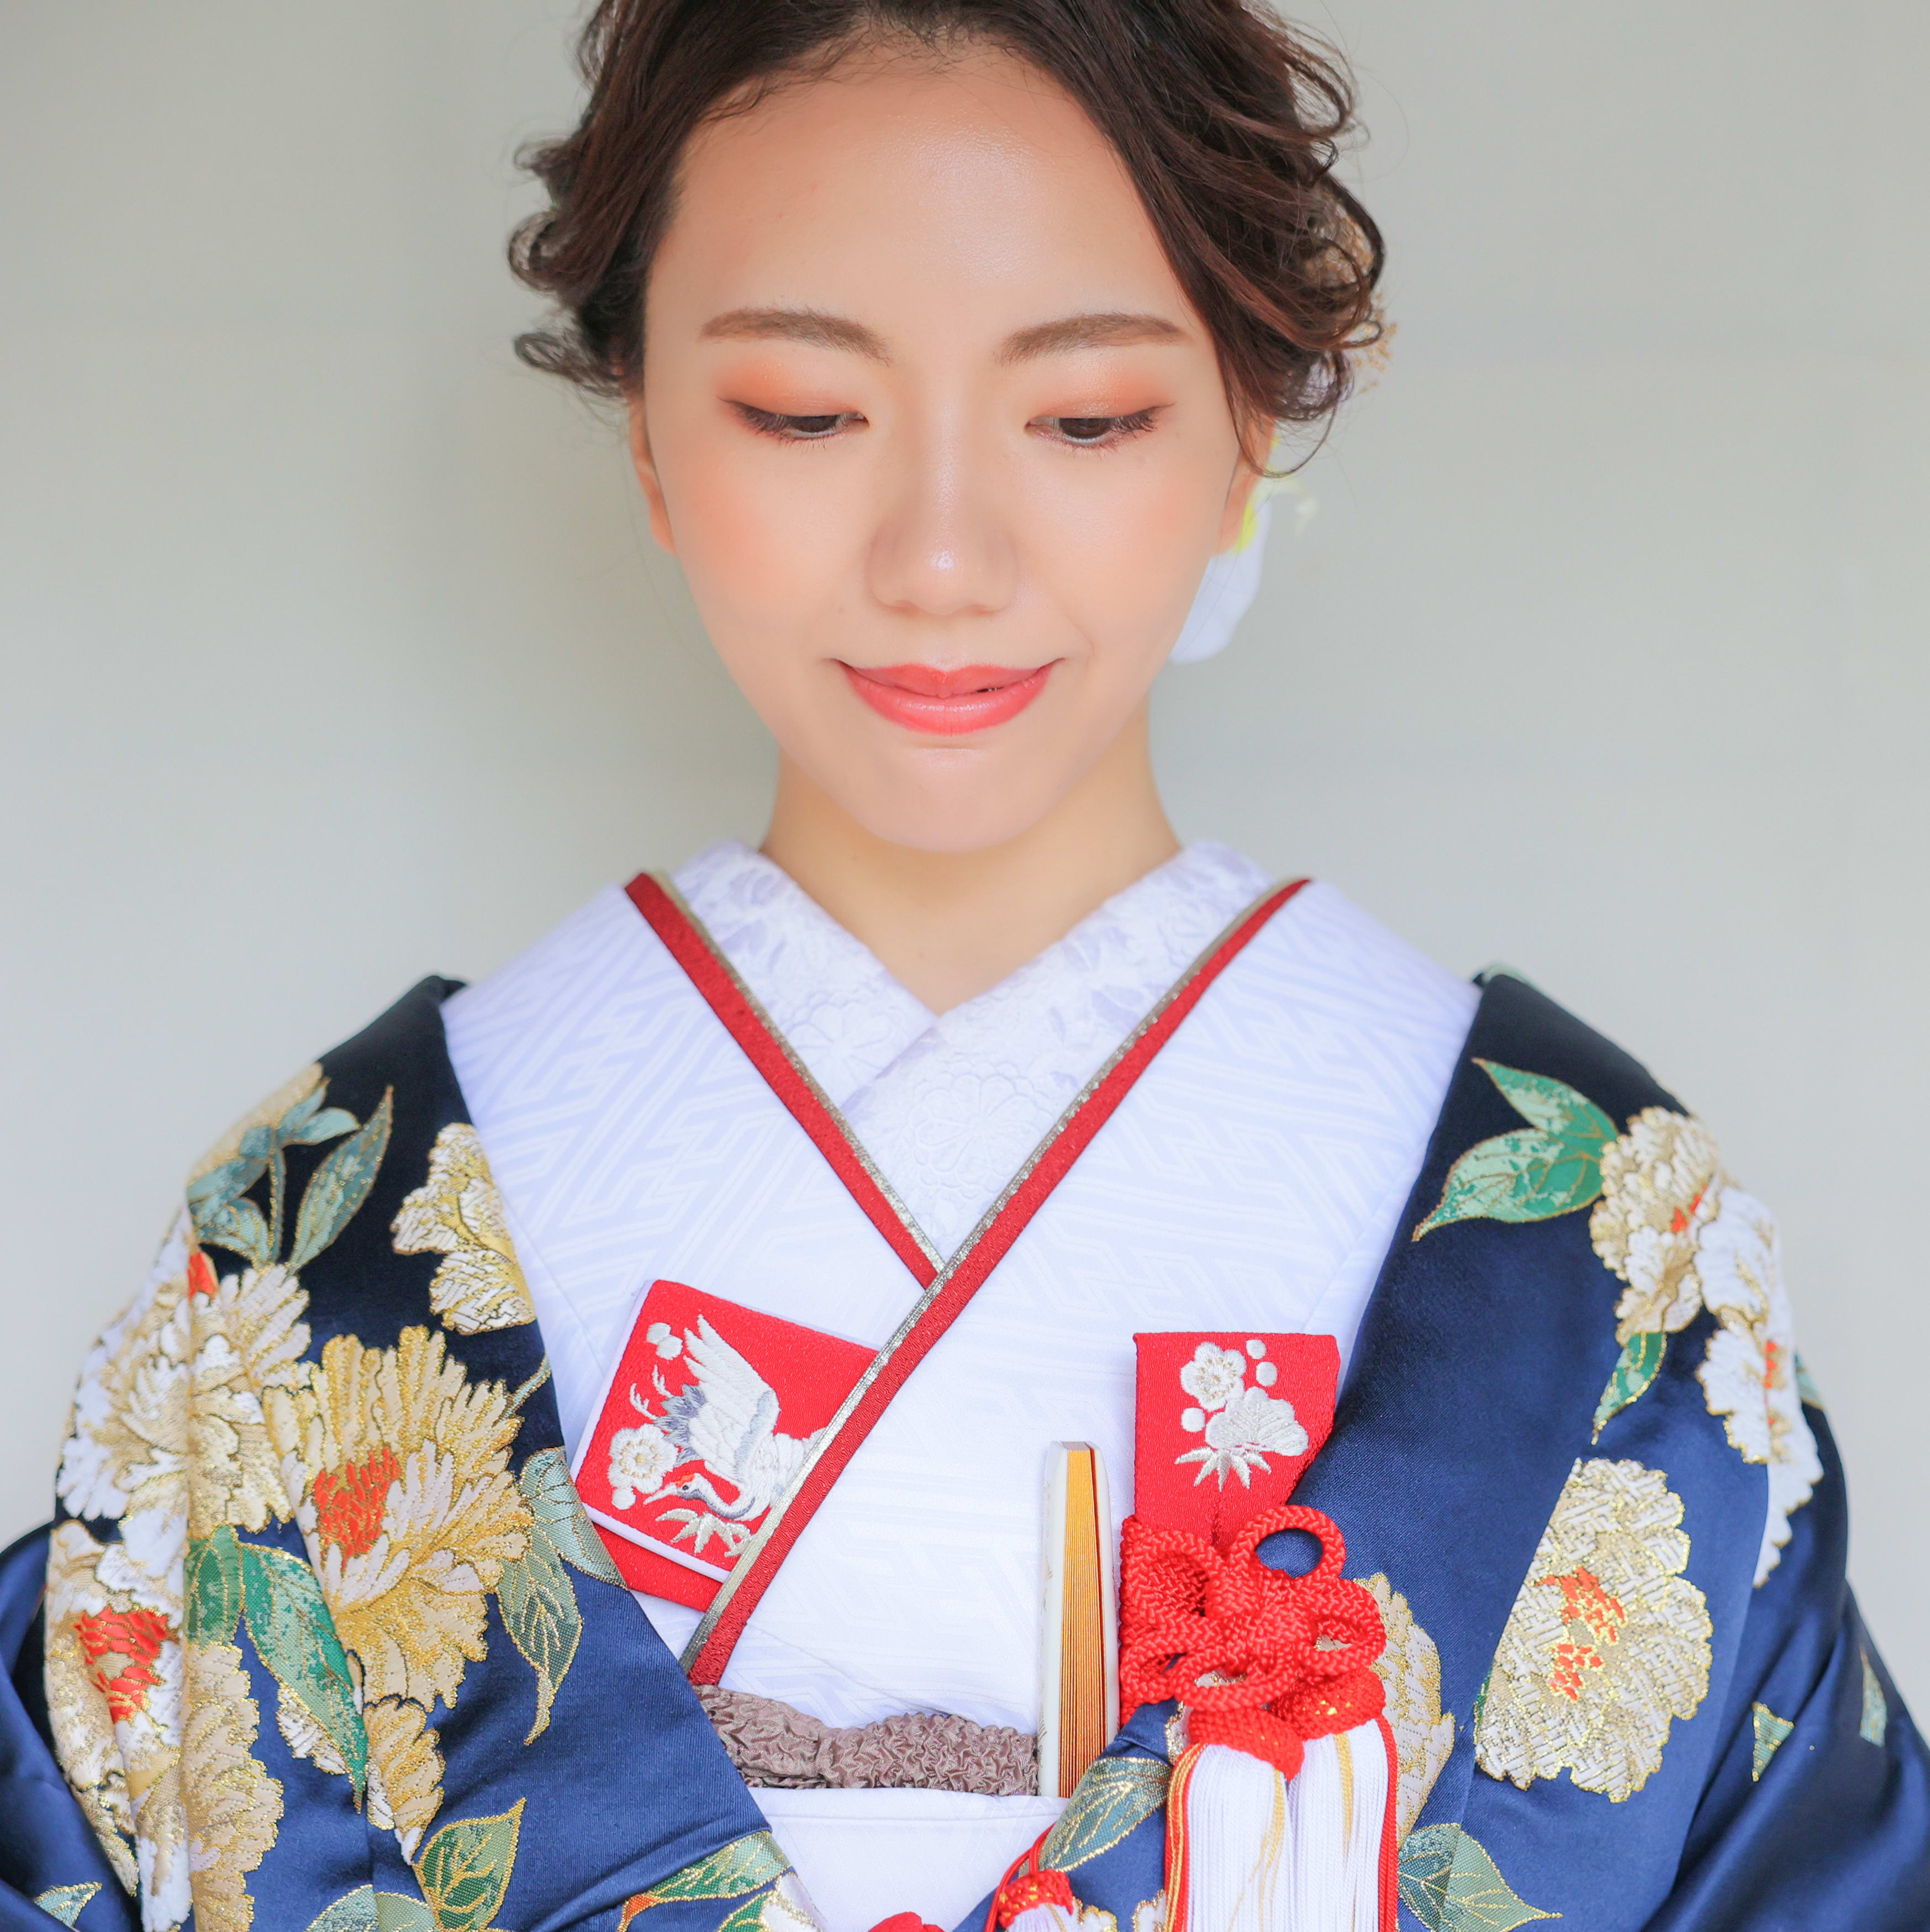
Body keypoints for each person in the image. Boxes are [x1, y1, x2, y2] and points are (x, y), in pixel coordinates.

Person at [3, 2, 1924, 1928]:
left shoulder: (1605, 1264)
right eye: (801, 412)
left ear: (1251, 420)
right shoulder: (301, 1262)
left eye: (1085, 418)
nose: (941, 558)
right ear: (647, 423)